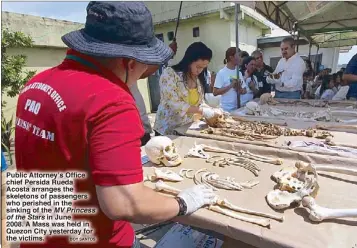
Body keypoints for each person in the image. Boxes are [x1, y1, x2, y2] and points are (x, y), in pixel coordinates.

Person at [14, 2, 217, 248]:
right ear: (130, 62)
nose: (145, 72)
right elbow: (124, 203)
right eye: (145, 65)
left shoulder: (35, 84)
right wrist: (183, 202)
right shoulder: (112, 101)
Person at [154, 42, 222, 135]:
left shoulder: (197, 79)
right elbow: (174, 103)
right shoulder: (170, 74)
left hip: (185, 127)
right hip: (166, 127)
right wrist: (202, 111)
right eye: (198, 66)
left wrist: (211, 109)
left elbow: (199, 102)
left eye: (203, 67)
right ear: (189, 60)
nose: (200, 70)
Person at [213, 47, 247, 112]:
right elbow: (215, 92)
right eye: (239, 56)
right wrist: (230, 85)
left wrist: (239, 88)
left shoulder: (238, 73)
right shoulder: (221, 73)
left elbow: (245, 91)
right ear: (231, 57)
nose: (241, 58)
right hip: (225, 110)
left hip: (238, 108)